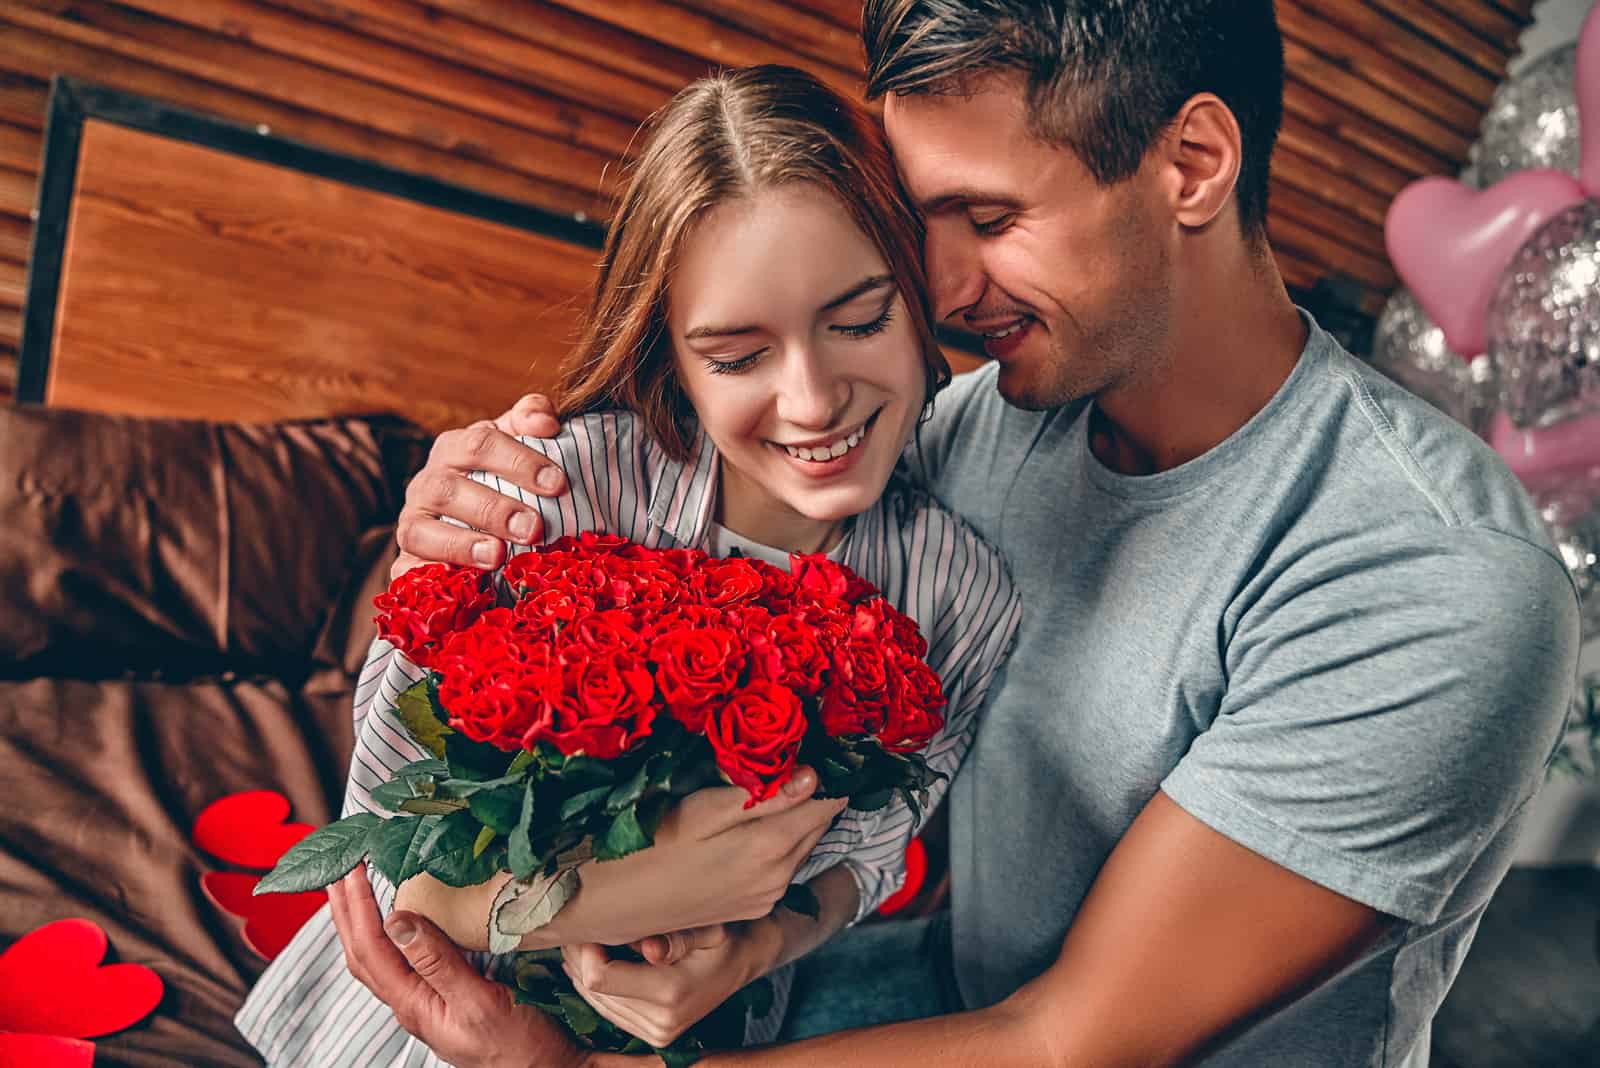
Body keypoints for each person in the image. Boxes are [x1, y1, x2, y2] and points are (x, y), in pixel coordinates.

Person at [339, 2, 1584, 1066]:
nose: (935, 290)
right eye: (920, 225)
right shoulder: (979, 431)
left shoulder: (1434, 583)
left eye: (987, 220)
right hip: (935, 996)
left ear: (1192, 162)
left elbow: (1065, 1043)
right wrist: (450, 533)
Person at [232, 63, 1022, 1065]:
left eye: (859, 319)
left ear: (918, 294)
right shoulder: (547, 495)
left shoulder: (961, 593)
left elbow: (862, 862)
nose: (815, 400)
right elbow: (390, 861)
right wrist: (607, 898)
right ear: (673, 356)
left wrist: (755, 948)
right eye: (737, 356)